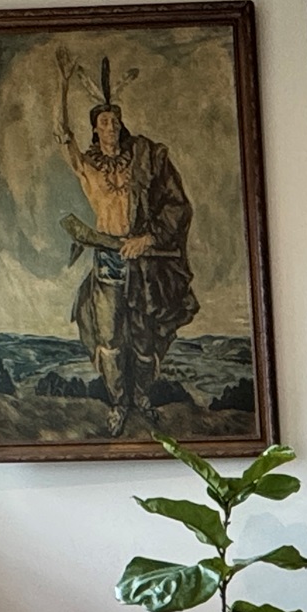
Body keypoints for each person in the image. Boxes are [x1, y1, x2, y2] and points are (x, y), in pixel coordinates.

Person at [57, 53, 197, 435]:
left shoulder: (144, 159)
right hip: (107, 262)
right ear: (95, 128)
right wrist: (63, 83)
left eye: (116, 120)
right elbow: (61, 134)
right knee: (110, 339)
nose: (112, 125)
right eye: (104, 121)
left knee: (144, 338)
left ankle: (143, 400)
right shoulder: (88, 167)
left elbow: (176, 205)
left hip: (145, 263)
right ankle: (119, 404)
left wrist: (148, 237)